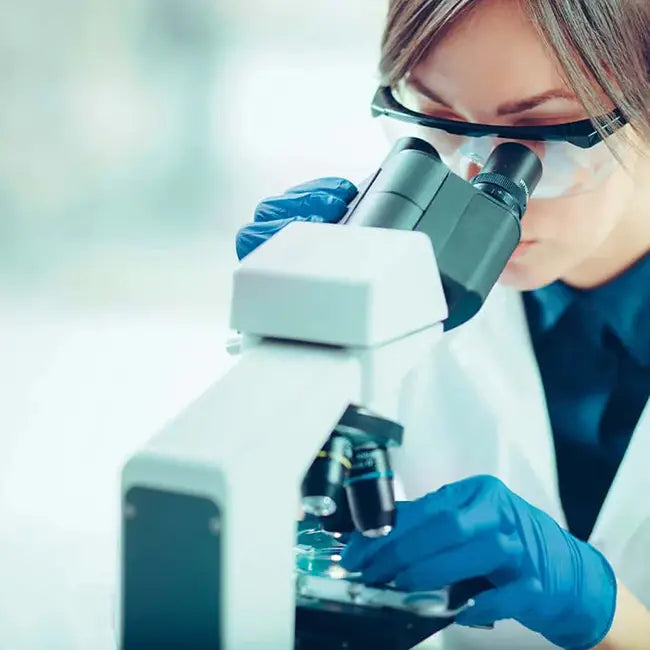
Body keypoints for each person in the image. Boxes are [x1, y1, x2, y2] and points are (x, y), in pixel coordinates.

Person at [235, 1, 650, 648]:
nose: (480, 176)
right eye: (439, 122)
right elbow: (272, 534)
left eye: (538, 131)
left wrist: (608, 617)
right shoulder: (407, 288)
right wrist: (289, 333)